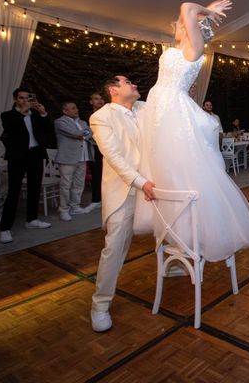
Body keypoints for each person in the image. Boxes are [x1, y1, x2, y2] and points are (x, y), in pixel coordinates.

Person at [133, 0, 249, 263]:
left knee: (182, 169)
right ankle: (177, 232)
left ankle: (192, 233)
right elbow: (185, 11)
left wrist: (207, 10)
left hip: (172, 109)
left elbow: (185, 6)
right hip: (159, 108)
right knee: (165, 168)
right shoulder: (180, 48)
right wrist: (204, 11)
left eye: (183, 24)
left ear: (195, 29)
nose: (178, 25)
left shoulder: (195, 49)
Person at [90, 75, 155, 332]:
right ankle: (100, 305)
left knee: (170, 226)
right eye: (128, 82)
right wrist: (141, 183)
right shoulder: (101, 117)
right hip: (125, 189)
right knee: (115, 247)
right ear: (113, 89)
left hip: (154, 184)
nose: (135, 85)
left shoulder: (143, 107)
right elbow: (114, 157)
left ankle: (171, 266)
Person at [0, 89, 52, 243]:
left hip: (35, 154)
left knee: (34, 188)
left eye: (27, 98)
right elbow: (11, 129)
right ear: (15, 99)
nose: (24, 101)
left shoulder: (35, 114)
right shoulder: (7, 115)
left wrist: (43, 114)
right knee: (13, 191)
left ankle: (32, 220)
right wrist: (22, 113)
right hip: (17, 157)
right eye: (21, 98)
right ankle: (5, 228)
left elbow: (48, 130)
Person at [54, 101, 94, 221]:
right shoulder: (60, 122)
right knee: (66, 185)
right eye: (72, 108)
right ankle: (64, 209)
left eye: (76, 107)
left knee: (79, 183)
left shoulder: (82, 122)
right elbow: (75, 133)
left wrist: (85, 133)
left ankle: (75, 206)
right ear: (65, 111)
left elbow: (90, 133)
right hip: (67, 158)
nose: (76, 110)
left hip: (82, 157)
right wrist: (85, 133)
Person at [87, 92, 105, 211]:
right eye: (96, 99)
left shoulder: (109, 115)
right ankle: (96, 199)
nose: (99, 101)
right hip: (94, 149)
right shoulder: (86, 117)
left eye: (101, 99)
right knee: (96, 174)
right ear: (91, 101)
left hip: (108, 148)